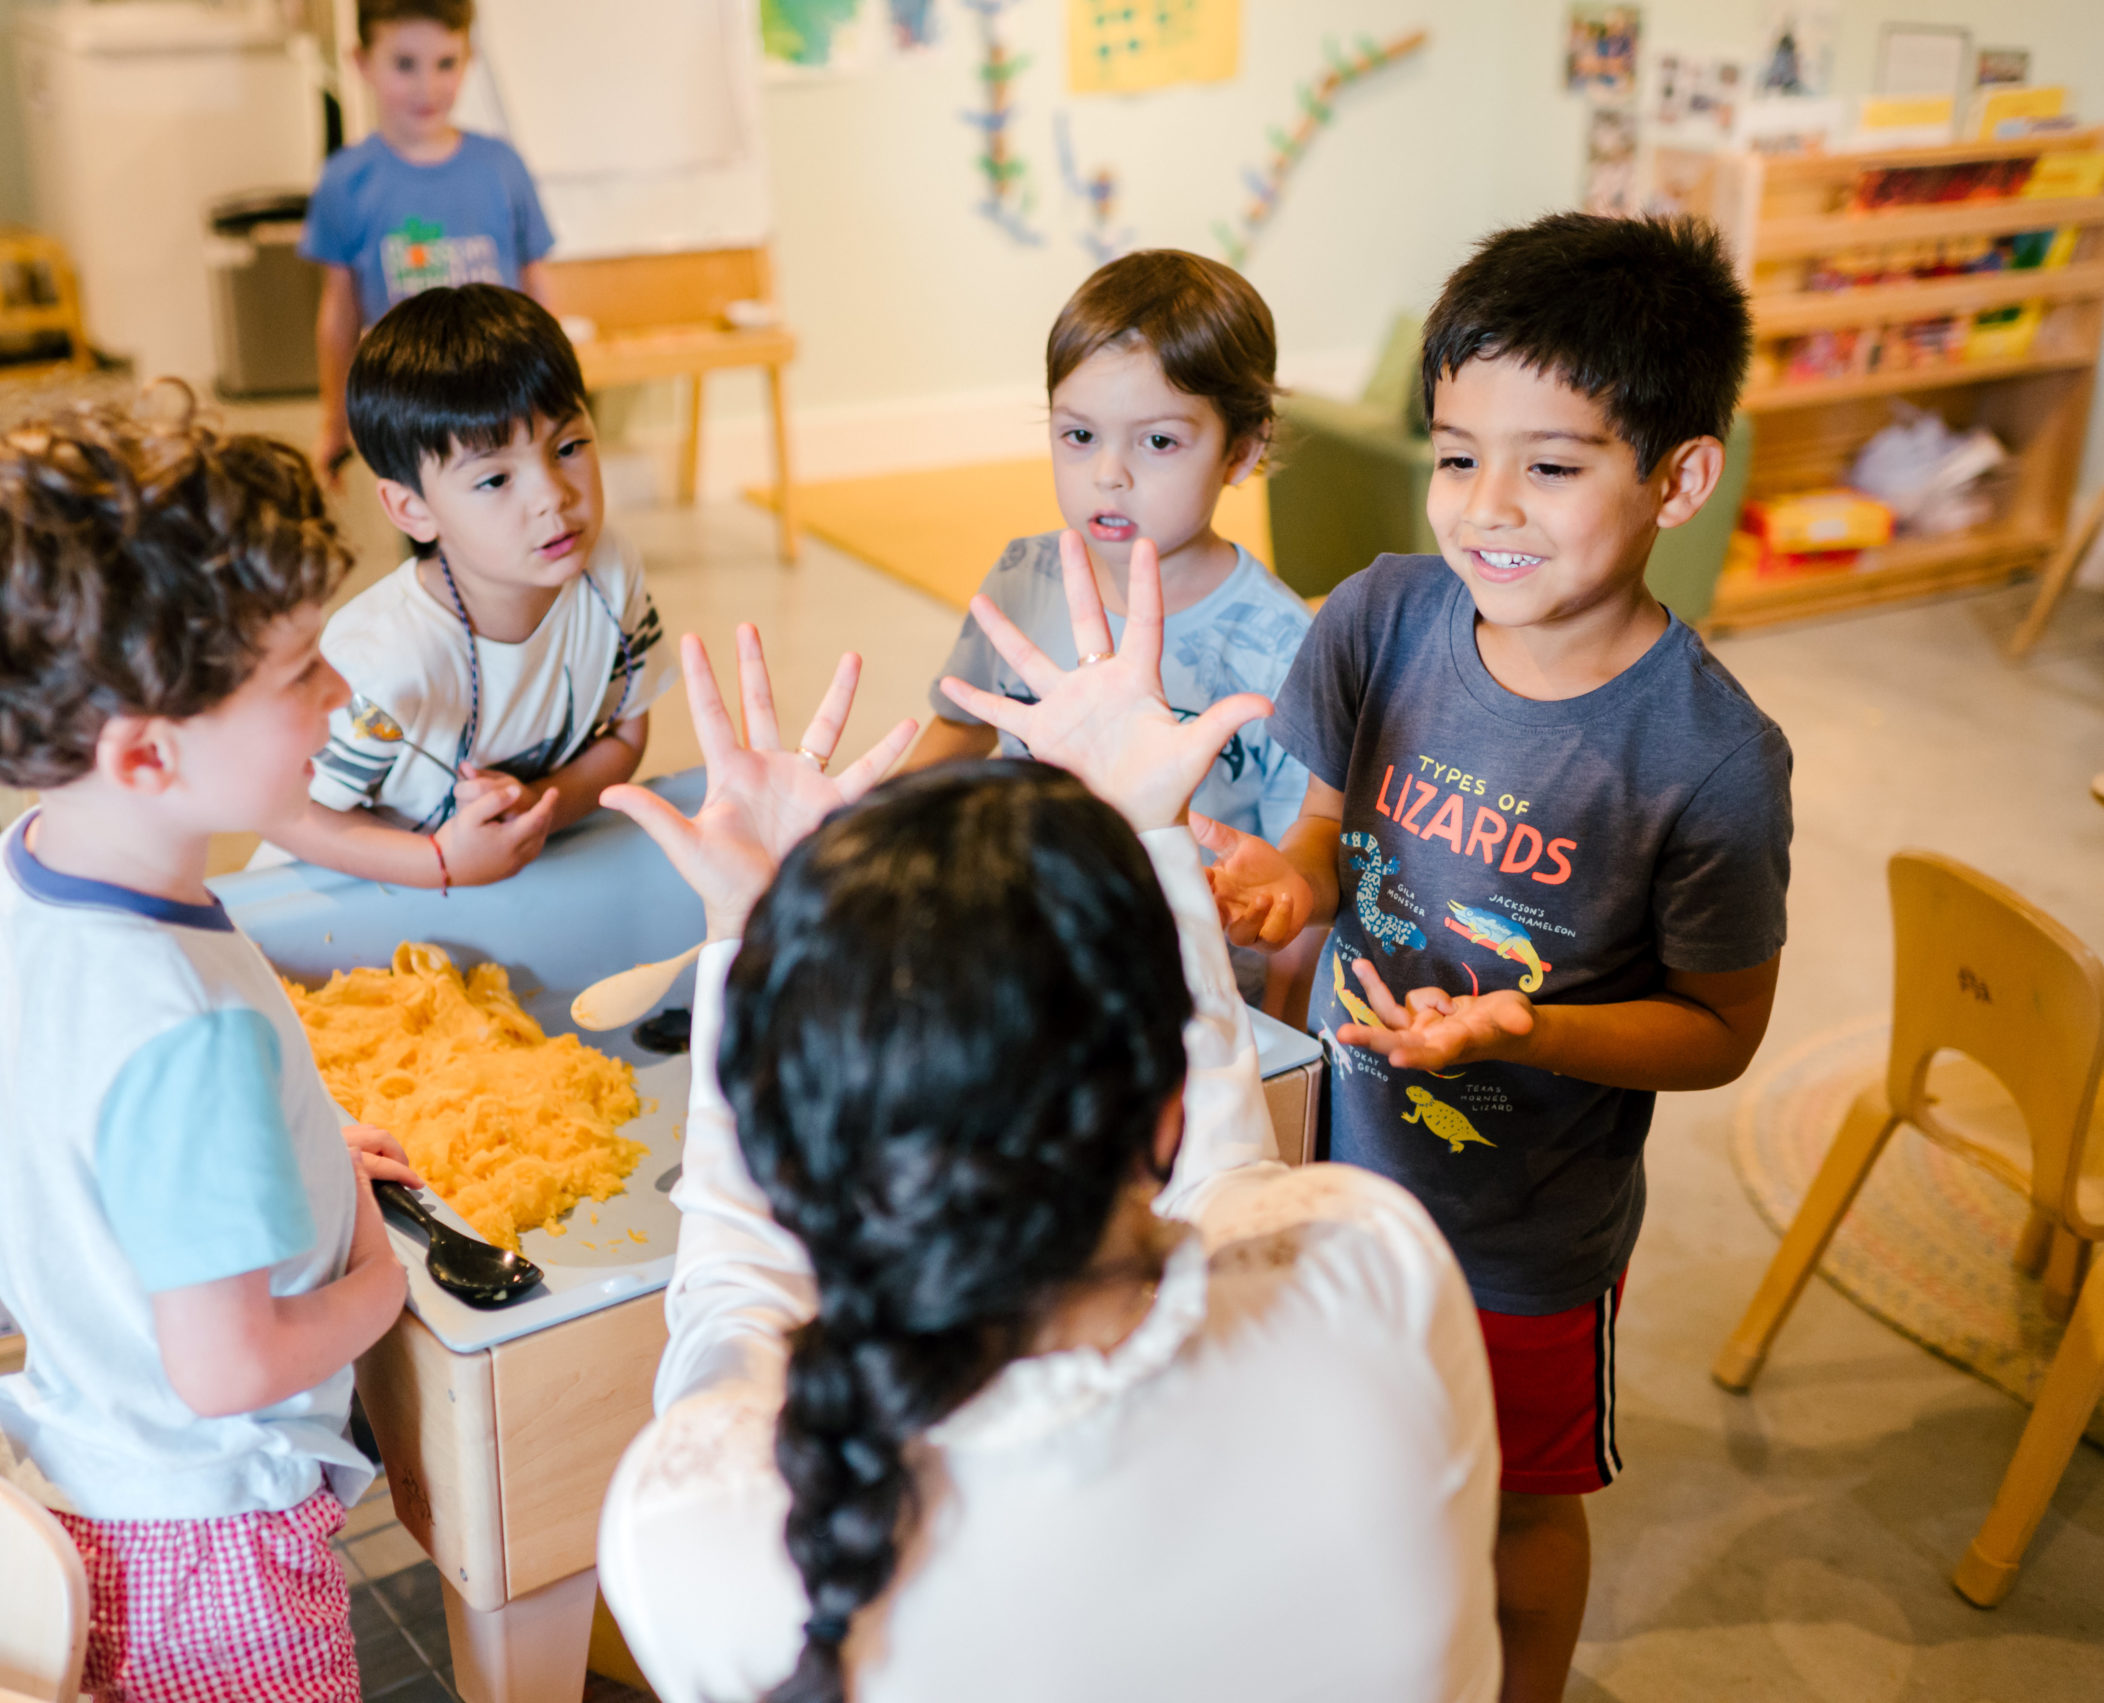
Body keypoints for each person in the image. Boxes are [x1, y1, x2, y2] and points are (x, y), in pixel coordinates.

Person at [595, 537, 1502, 1703]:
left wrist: (742, 938)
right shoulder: (1375, 1267)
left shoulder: (701, 1532)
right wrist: (1148, 824)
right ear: (1156, 1112)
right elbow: (1235, 1179)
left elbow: (729, 1309)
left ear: (801, 1161)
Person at [1205, 212, 1792, 1703]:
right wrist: (1282, 881)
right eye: (1459, 451)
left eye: (1553, 460)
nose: (1489, 506)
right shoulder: (1384, 614)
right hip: (1337, 1154)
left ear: (1680, 475)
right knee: (1345, 1435)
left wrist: (1525, 1032)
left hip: (1529, 1225)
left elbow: (1720, 1028)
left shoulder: (1713, 758)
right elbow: (1327, 831)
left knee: (1524, 1501)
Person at [0, 397, 423, 1703]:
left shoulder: (23, 868)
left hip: (88, 1473)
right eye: (299, 672)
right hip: (216, 1534)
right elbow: (228, 1365)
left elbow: (89, 1120)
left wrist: (285, 1156)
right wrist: (378, 1276)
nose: (341, 689)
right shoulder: (189, 1024)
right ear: (145, 750)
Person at [906, 249, 1316, 1008]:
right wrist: (840, 825)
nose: (1109, 475)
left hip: (1189, 991)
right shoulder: (1022, 578)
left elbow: (1301, 872)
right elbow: (958, 731)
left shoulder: (1282, 646)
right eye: (1079, 435)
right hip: (1025, 952)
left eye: (1158, 441)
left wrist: (1288, 1047)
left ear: (1242, 449)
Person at [263, 283, 675, 888]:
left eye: (568, 447)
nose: (552, 497)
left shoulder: (609, 571)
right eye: (493, 480)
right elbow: (282, 813)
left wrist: (536, 801)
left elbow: (627, 735)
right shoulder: (378, 661)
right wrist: (440, 864)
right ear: (411, 510)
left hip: (494, 889)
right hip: (331, 911)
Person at [304, 0, 554, 482]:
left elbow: (537, 288)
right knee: (431, 551)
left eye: (446, 63)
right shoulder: (345, 180)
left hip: (501, 403)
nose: (427, 86)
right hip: (409, 414)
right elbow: (339, 311)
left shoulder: (501, 166)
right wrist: (334, 424)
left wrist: (554, 392)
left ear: (469, 59)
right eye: (404, 64)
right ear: (362, 63)